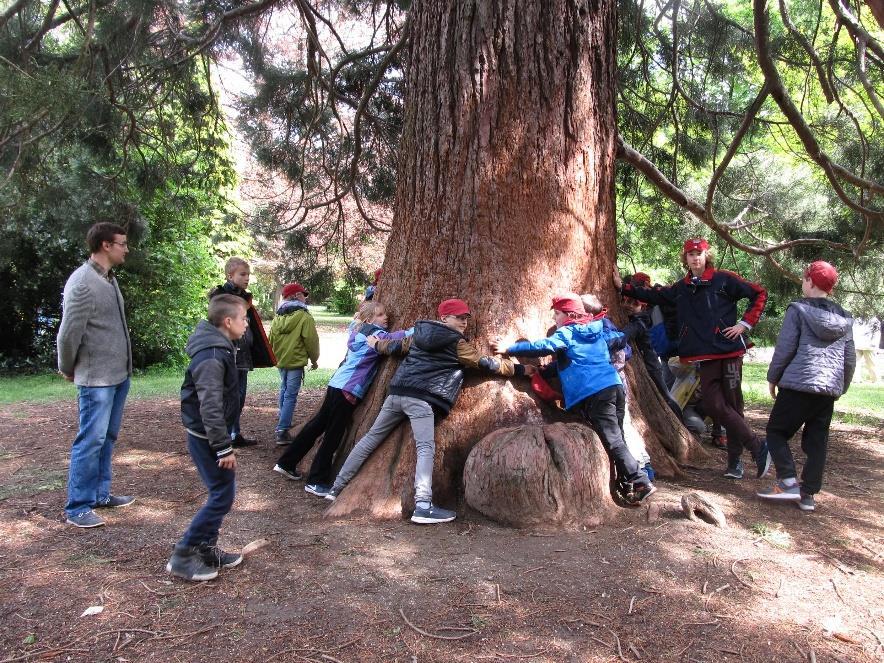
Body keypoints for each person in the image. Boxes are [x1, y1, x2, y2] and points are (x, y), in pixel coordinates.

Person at [325, 298, 533, 524]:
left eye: (465, 318)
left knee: (371, 439)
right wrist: (520, 369)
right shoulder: (457, 344)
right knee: (425, 448)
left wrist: (375, 343)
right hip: (422, 399)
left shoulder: (418, 335)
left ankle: (337, 488)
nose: (463, 322)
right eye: (458, 317)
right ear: (445, 318)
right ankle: (423, 506)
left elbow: (394, 347)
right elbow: (485, 363)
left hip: (396, 394)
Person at [615, 238, 771, 481]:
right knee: (714, 404)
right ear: (685, 258)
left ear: (706, 255)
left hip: (729, 352)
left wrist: (744, 324)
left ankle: (735, 462)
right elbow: (656, 295)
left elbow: (758, 293)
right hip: (704, 356)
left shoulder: (724, 279)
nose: (695, 257)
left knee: (733, 406)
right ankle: (758, 446)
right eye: (690, 254)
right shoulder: (682, 287)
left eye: (699, 253)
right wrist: (624, 287)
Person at [497, 293, 657, 505]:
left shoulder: (568, 333)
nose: (555, 318)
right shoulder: (596, 329)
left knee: (613, 439)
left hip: (595, 392)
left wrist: (511, 348)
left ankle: (641, 481)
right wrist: (543, 371)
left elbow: (541, 346)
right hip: (613, 387)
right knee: (616, 438)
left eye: (557, 314)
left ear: (570, 315)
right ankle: (626, 484)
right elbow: (575, 359)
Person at [273, 301, 411, 495]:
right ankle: (316, 480)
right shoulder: (373, 334)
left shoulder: (357, 330)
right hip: (348, 389)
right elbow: (392, 339)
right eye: (380, 315)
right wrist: (414, 331)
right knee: (333, 435)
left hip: (337, 383)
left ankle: (286, 462)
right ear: (369, 319)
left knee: (317, 425)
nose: (385, 317)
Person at [757, 262, 855, 513]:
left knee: (776, 431)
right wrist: (840, 387)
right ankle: (808, 495)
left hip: (798, 385)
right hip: (827, 390)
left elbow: (785, 348)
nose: (803, 282)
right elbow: (849, 358)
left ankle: (788, 481)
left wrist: (773, 377)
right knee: (817, 442)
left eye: (804, 278)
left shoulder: (798, 310)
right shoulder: (844, 317)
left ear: (810, 281)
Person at [57, 222, 135, 528]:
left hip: (117, 375)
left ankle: (100, 494)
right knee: (90, 440)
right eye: (122, 244)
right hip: (96, 378)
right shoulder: (83, 282)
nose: (126, 249)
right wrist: (67, 367)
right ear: (106, 245)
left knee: (107, 437)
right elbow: (67, 335)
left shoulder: (108, 278)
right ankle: (78, 506)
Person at [167, 294, 249, 581]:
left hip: (211, 434)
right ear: (228, 322)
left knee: (223, 492)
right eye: (243, 318)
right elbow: (210, 405)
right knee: (222, 494)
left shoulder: (222, 347)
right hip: (206, 435)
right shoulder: (212, 355)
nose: (246, 323)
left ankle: (205, 548)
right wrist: (223, 447)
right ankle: (185, 553)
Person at [209, 258, 276, 448]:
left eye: (248, 274)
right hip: (229, 355)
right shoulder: (221, 297)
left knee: (239, 397)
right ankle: (221, 437)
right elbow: (221, 326)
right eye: (242, 274)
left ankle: (234, 433)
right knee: (229, 398)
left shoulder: (244, 298)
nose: (247, 278)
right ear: (230, 276)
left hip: (243, 356)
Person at [269, 283, 319, 443]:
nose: (306, 298)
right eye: (304, 295)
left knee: (284, 390)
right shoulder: (305, 317)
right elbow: (311, 341)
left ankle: (283, 423)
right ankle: (283, 430)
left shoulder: (278, 317)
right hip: (296, 361)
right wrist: (314, 359)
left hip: (281, 360)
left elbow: (270, 339)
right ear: (297, 295)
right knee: (290, 394)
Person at [852, 316, 880, 383]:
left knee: (859, 363)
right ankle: (874, 380)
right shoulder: (873, 319)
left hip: (862, 344)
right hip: (865, 344)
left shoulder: (858, 319)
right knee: (870, 363)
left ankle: (857, 380)